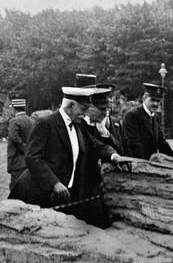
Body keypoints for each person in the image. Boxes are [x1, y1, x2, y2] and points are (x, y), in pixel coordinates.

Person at [11, 86, 130, 227]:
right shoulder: (46, 123)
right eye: (83, 109)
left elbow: (96, 146)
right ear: (70, 106)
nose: (85, 114)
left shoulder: (78, 125)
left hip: (64, 197)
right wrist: (54, 183)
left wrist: (114, 156)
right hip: (37, 194)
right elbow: (33, 158)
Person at [121, 82, 173, 159]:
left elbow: (161, 143)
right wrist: (145, 163)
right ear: (144, 98)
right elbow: (134, 144)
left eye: (158, 101)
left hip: (150, 162)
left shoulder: (155, 117)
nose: (155, 104)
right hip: (136, 161)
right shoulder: (132, 115)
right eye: (152, 100)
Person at [81, 85, 121, 153]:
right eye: (102, 109)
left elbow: (121, 150)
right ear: (90, 108)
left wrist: (106, 135)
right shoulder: (79, 124)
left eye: (107, 109)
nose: (106, 113)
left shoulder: (114, 123)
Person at [6, 95, 34, 193]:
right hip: (29, 162)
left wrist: (25, 149)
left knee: (16, 189)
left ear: (14, 109)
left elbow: (14, 138)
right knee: (28, 188)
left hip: (17, 162)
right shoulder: (32, 120)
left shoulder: (14, 121)